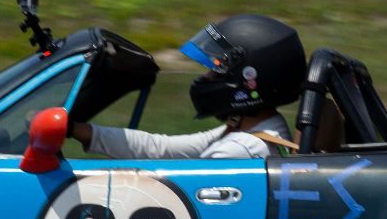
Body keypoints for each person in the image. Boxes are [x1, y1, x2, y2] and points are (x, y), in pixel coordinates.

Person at [70, 13, 306, 160]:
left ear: (248, 78)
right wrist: (76, 129)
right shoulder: (255, 133)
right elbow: (161, 149)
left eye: (217, 69)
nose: (207, 75)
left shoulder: (238, 152)